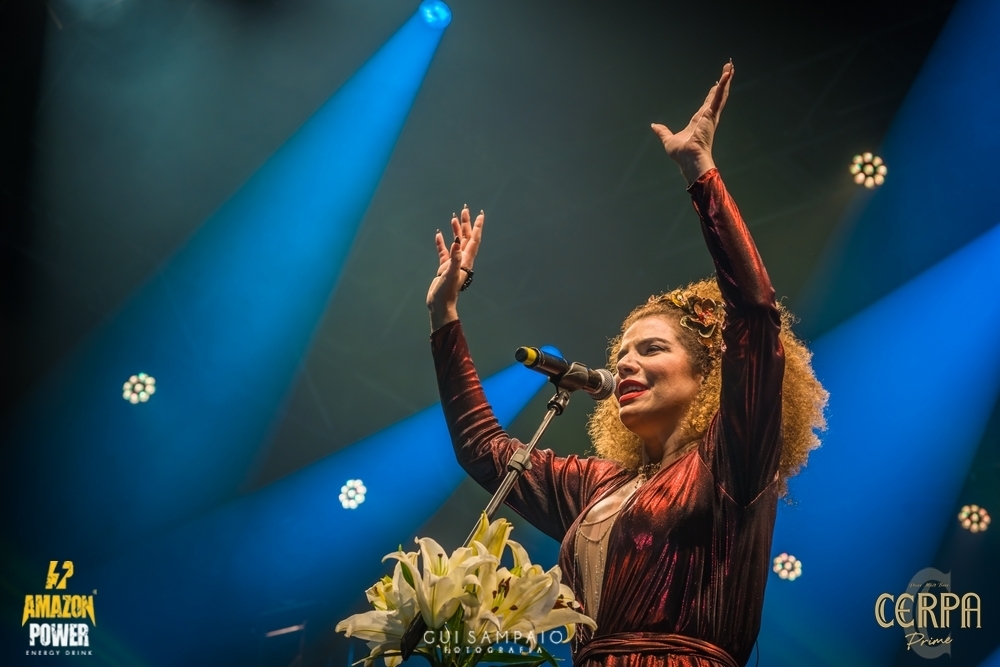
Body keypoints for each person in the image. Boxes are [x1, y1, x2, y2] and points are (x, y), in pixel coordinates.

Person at [424, 63, 828, 667]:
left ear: (709, 376)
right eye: (621, 355)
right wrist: (444, 315)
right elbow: (484, 449)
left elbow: (754, 315)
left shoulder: (730, 463)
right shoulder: (597, 488)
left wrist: (699, 171)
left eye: (651, 349)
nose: (626, 364)